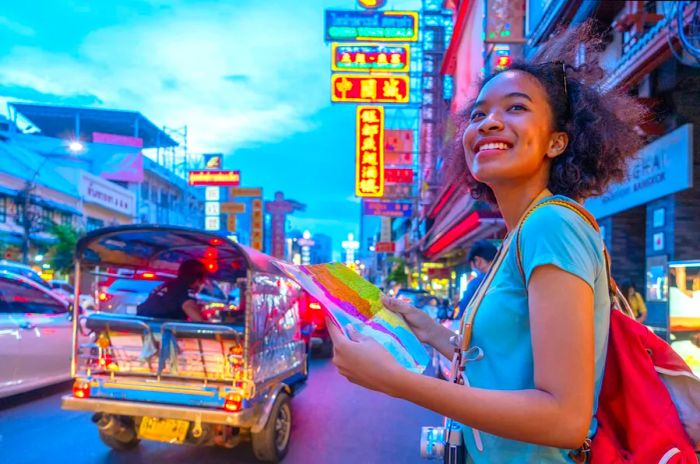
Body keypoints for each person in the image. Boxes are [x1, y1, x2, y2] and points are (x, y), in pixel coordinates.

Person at [326, 22, 646, 463]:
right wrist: (435, 334)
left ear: (557, 141)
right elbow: (510, 365)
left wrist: (397, 382)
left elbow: (565, 420)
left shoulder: (551, 225)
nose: (490, 122)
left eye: (516, 108)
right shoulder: (523, 231)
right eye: (478, 114)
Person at [137, 259, 207, 321]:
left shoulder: (167, 285)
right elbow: (189, 307)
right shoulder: (185, 289)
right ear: (198, 280)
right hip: (161, 327)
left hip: (143, 323)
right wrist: (205, 326)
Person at [457, 240, 498, 319]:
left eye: (472, 264)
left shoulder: (476, 284)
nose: (473, 268)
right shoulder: (510, 278)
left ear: (477, 260)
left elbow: (463, 315)